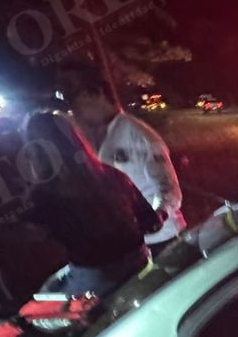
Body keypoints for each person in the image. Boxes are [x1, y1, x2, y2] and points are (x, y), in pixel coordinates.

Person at [20, 112, 159, 297]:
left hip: (96, 279)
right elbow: (151, 222)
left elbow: (38, 246)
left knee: (45, 298)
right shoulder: (111, 174)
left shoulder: (42, 195)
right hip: (140, 263)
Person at [57, 64, 185, 253]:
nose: (72, 109)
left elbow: (168, 189)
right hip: (126, 244)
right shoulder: (85, 135)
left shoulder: (137, 135)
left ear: (96, 94)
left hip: (162, 240)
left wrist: (156, 216)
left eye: (73, 99)